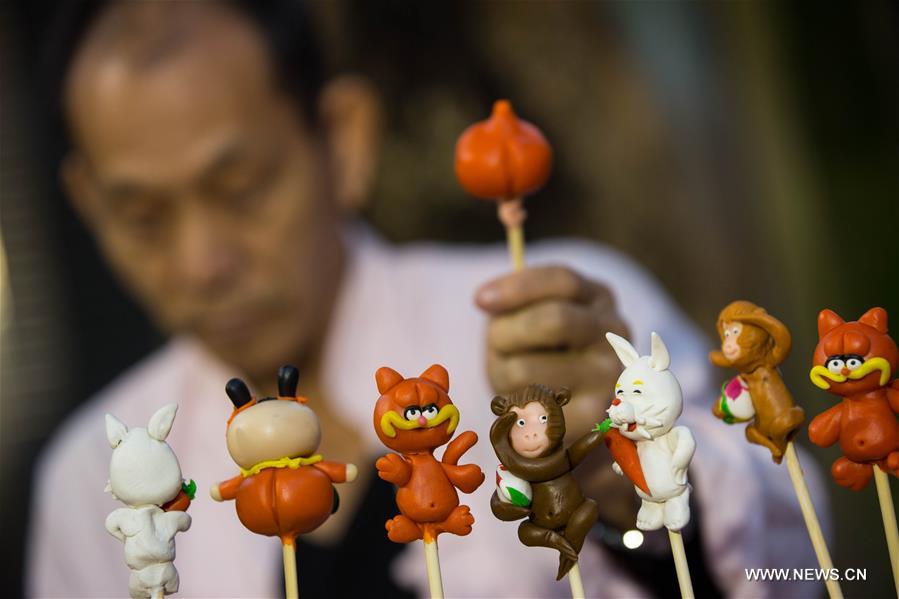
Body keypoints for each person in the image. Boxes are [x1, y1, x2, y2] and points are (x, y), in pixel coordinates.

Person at [27, 1, 826, 597]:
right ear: (88, 204)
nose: (201, 262)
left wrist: (629, 484)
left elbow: (798, 560)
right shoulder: (94, 474)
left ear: (343, 139)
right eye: (142, 216)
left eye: (242, 187)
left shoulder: (556, 333)